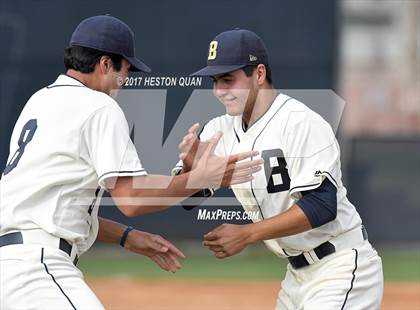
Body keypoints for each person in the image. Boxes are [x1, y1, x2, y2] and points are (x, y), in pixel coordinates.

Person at [0, 17, 263, 309]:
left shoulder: (40, 101)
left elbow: (55, 209)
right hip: (37, 269)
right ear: (104, 64)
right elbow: (131, 199)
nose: (126, 79)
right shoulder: (99, 106)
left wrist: (126, 236)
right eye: (126, 69)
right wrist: (200, 178)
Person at [175, 29, 384, 309]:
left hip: (340, 266)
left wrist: (247, 234)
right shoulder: (219, 130)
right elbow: (189, 199)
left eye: (228, 79)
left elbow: (322, 206)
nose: (220, 91)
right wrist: (191, 168)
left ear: (259, 75)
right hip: (295, 275)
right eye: (215, 81)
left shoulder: (300, 122)